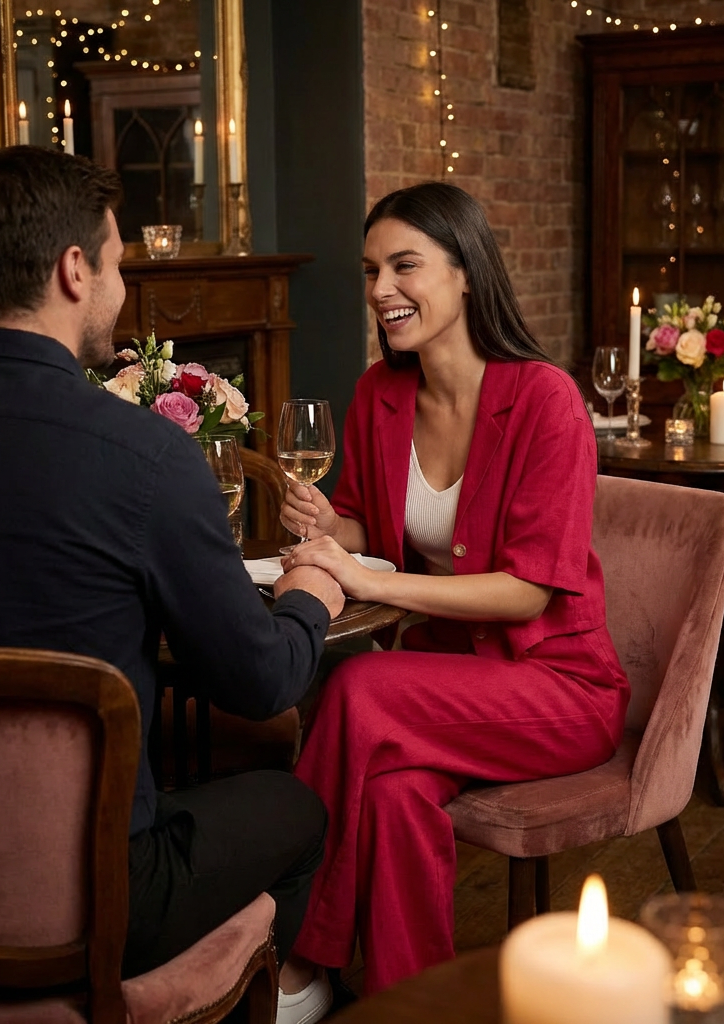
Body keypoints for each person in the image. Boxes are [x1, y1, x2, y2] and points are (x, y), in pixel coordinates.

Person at [0, 146, 341, 1024]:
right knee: (294, 806)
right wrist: (312, 593)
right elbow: (262, 680)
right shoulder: (147, 458)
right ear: (73, 270)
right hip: (99, 898)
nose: (121, 286)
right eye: (117, 261)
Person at [278, 181, 630, 995]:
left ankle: (295, 953)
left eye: (405, 266)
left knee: (359, 687)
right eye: (370, 271)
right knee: (397, 798)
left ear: (466, 270)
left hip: (559, 687)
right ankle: (414, 1003)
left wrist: (369, 583)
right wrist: (334, 528)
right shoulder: (380, 393)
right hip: (448, 683)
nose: (381, 291)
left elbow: (527, 595)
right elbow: (372, 524)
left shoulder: (546, 400)